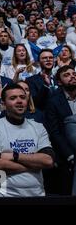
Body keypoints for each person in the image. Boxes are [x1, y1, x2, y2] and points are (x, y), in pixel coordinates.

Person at [0, 84, 54, 197]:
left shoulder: (38, 127)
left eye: (22, 97)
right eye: (13, 98)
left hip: (36, 194)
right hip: (3, 194)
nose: (19, 101)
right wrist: (34, 165)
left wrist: (15, 156)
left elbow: (48, 161)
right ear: (3, 104)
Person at [44, 65, 76, 195]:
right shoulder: (53, 102)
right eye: (66, 75)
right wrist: (70, 155)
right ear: (59, 82)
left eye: (73, 74)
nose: (72, 76)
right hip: (66, 157)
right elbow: (54, 132)